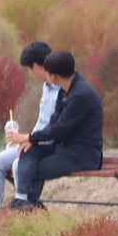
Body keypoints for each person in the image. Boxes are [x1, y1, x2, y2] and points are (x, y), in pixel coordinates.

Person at [8, 50, 103, 212]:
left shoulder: (81, 95)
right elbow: (54, 121)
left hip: (82, 154)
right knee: (28, 151)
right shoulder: (66, 90)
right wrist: (32, 141)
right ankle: (22, 200)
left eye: (47, 72)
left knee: (34, 169)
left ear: (54, 76)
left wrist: (29, 136)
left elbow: (60, 130)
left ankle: (29, 212)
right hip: (64, 147)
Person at [0, 41, 56, 216]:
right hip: (32, 141)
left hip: (46, 146)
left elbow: (55, 130)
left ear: (37, 67)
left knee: (19, 164)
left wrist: (26, 138)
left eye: (29, 70)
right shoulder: (47, 87)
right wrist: (25, 139)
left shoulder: (62, 90)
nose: (29, 74)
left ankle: (24, 211)